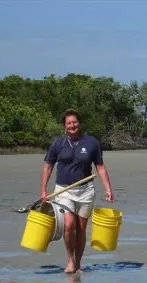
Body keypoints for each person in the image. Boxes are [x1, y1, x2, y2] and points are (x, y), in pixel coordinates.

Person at [40, 108, 115, 273]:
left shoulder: (91, 143)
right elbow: (48, 167)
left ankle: (79, 263)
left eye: (74, 122)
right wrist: (43, 190)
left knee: (81, 229)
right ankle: (70, 260)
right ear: (64, 126)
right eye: (69, 123)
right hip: (63, 191)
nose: (72, 125)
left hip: (86, 190)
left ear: (79, 123)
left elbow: (100, 167)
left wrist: (108, 189)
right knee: (68, 225)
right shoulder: (58, 144)